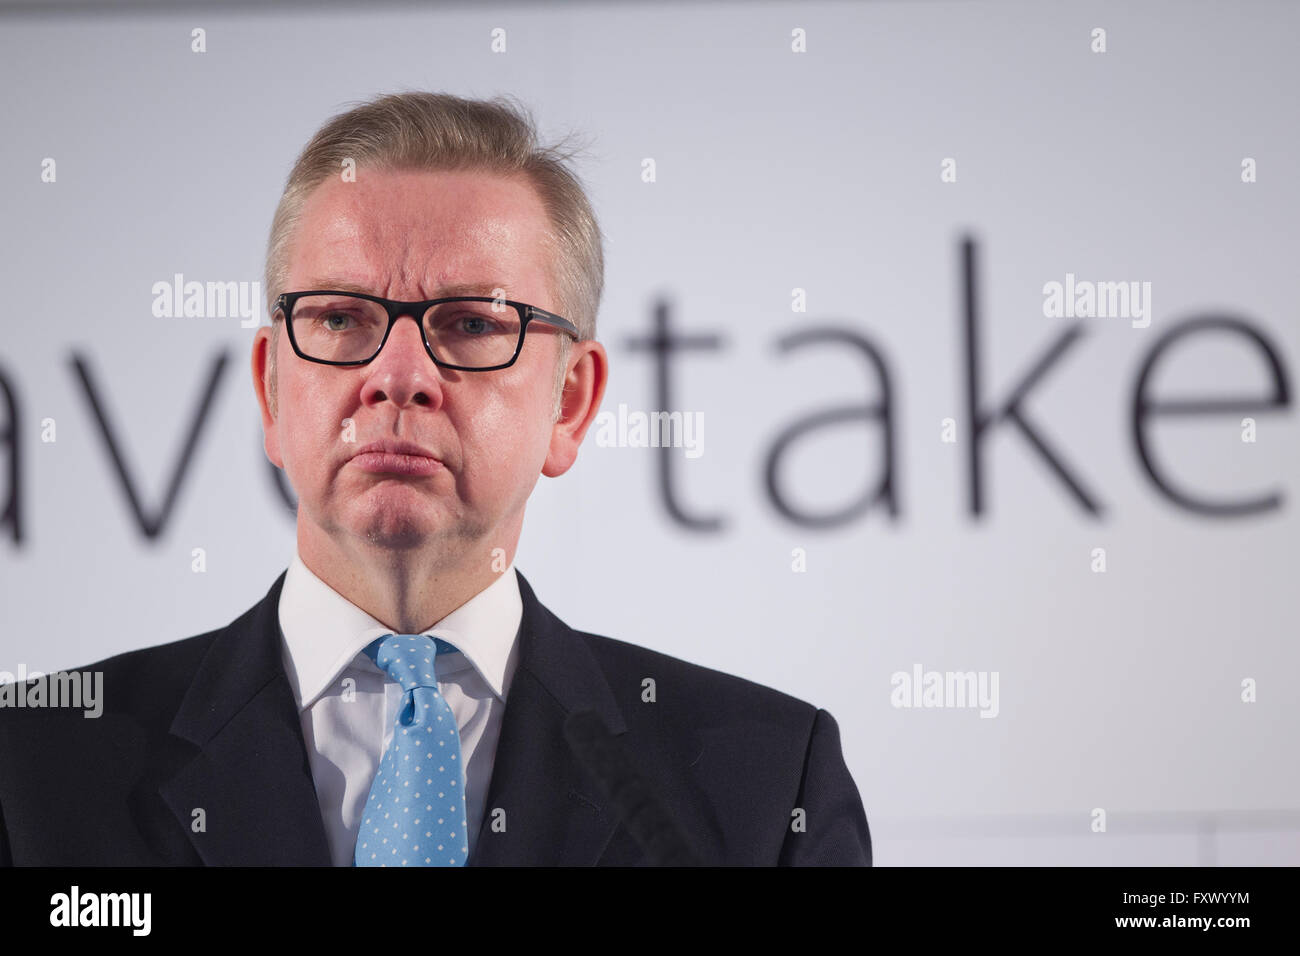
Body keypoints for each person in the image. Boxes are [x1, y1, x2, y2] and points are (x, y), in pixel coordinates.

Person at [0, 92, 871, 866]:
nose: (399, 372)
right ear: (271, 386)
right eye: (341, 317)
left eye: (469, 321)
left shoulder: (763, 786)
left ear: (570, 399)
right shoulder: (31, 767)